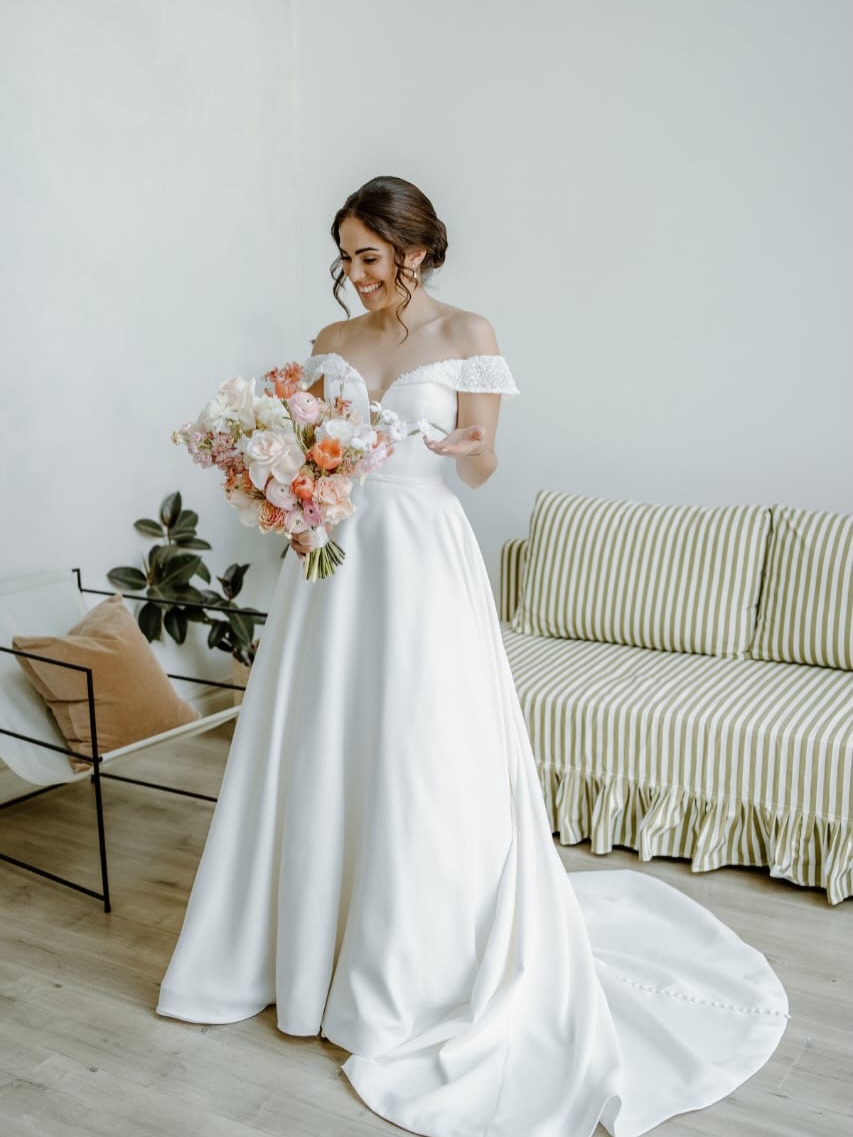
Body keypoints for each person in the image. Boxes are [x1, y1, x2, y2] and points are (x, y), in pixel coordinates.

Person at [158, 176, 788, 1137]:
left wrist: (461, 445)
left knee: (421, 752)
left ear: (415, 249)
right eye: (346, 256)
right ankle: (297, 948)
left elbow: (486, 459)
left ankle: (406, 964)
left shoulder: (468, 334)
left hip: (422, 558)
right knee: (321, 745)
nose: (354, 273)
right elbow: (299, 446)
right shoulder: (328, 345)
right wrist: (284, 491)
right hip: (333, 565)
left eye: (370, 254)